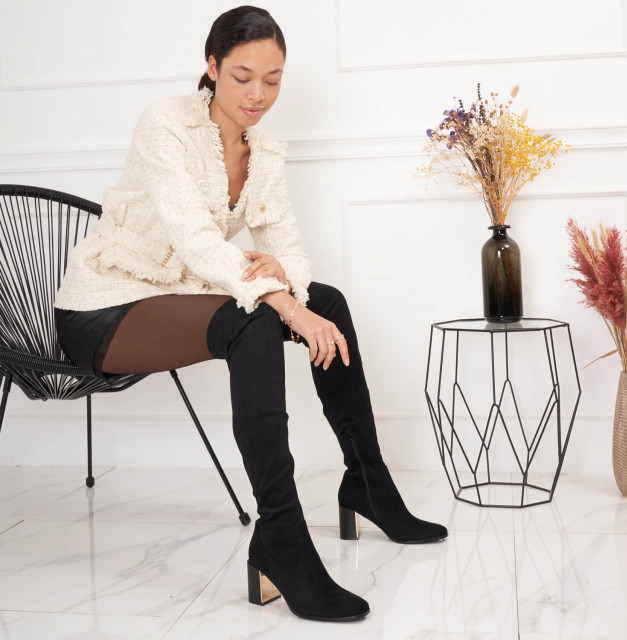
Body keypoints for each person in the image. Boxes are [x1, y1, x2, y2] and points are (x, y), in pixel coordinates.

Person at [53, 5, 448, 623]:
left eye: (273, 79)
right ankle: (281, 536)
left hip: (177, 298)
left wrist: (288, 278)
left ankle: (368, 484)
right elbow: (196, 241)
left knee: (328, 302)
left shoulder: (263, 153)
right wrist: (285, 302)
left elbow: (288, 245)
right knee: (258, 318)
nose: (258, 94)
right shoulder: (165, 123)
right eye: (242, 77)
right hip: (105, 308)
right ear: (211, 67)